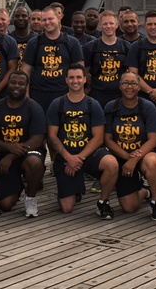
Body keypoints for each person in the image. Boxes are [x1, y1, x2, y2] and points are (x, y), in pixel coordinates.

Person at [47, 64, 118, 217]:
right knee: (66, 207)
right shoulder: (57, 104)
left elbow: (99, 137)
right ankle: (75, 189)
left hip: (88, 154)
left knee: (112, 163)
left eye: (79, 77)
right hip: (66, 156)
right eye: (71, 77)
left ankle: (103, 202)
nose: (75, 81)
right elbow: (52, 136)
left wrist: (79, 158)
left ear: (85, 79)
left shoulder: (93, 104)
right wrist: (69, 157)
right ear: (66, 80)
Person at [0, 72, 46, 217]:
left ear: (26, 86)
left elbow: (38, 139)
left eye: (21, 83)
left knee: (34, 162)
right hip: (5, 153)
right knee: (5, 205)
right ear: (8, 83)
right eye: (13, 82)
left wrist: (12, 155)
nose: (16, 86)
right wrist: (8, 147)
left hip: (29, 151)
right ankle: (17, 186)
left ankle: (30, 198)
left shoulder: (33, 107)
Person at [104, 73, 156, 220]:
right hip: (122, 156)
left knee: (154, 161)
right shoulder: (111, 107)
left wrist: (134, 159)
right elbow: (107, 139)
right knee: (129, 207)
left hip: (143, 155)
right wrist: (127, 158)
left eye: (133, 84)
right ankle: (145, 191)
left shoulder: (148, 107)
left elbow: (154, 139)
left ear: (139, 87)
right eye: (125, 83)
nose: (129, 87)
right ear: (120, 86)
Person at [21, 5, 84, 112]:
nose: (47, 22)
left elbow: (80, 72)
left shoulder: (72, 43)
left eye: (50, 19)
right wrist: (26, 97)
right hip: (39, 95)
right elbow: (25, 71)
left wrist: (78, 98)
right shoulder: (33, 43)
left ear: (59, 18)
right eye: (44, 20)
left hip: (64, 94)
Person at [83, 10, 132, 108]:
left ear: (117, 25)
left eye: (111, 23)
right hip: (97, 94)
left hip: (119, 94)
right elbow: (84, 71)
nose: (108, 26)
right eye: (105, 24)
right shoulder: (90, 47)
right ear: (100, 25)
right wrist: (92, 84)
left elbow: (131, 72)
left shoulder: (126, 46)